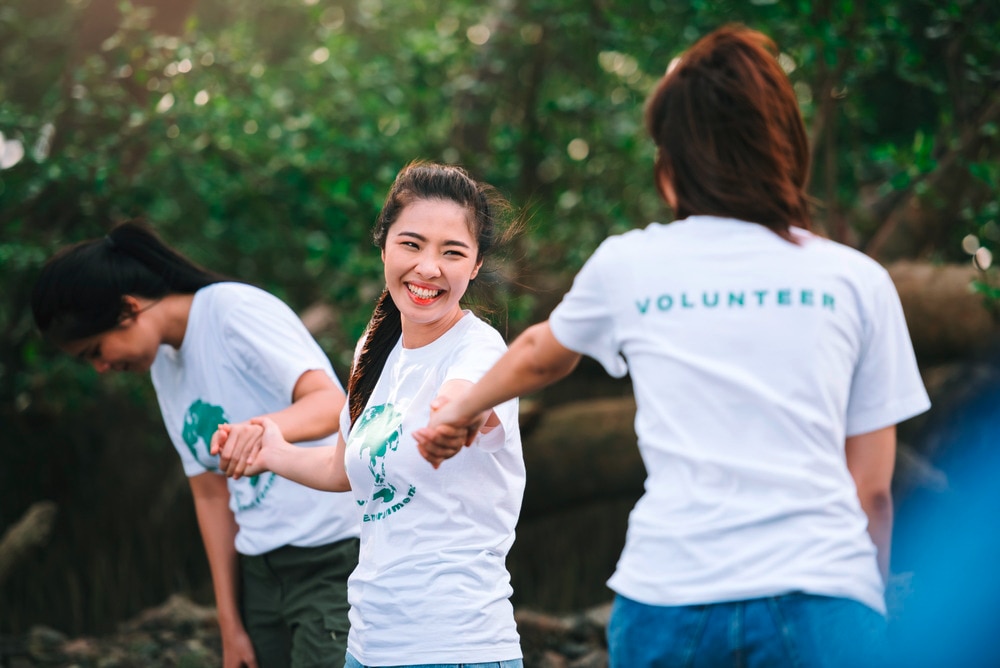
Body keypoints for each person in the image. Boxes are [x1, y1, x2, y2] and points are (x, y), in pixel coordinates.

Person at [414, 24, 931, 668]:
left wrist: (457, 415)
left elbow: (543, 352)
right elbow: (873, 491)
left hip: (670, 599)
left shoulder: (632, 264)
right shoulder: (856, 280)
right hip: (820, 595)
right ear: (785, 151)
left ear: (669, 168)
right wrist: (862, 600)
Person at [214, 161, 525, 668]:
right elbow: (341, 470)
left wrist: (455, 416)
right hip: (368, 642)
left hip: (456, 646)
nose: (428, 267)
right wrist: (271, 449)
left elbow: (467, 397)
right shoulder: (374, 351)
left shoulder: (480, 348)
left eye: (452, 252)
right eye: (412, 243)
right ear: (383, 245)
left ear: (474, 265)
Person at [31, 221, 361, 668]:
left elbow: (330, 403)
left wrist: (260, 430)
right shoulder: (165, 368)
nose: (102, 367)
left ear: (128, 309)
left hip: (330, 556)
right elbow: (209, 493)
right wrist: (230, 623)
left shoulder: (232, 311)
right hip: (259, 570)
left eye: (95, 351)